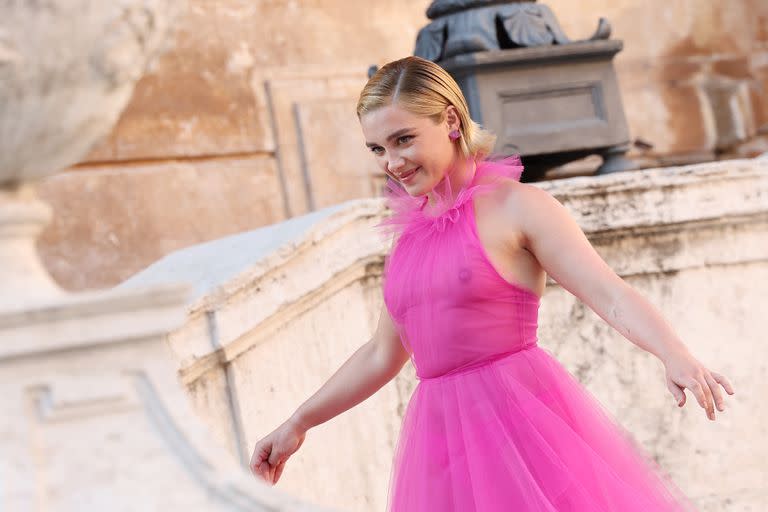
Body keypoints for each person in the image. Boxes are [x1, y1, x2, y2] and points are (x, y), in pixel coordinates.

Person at [249, 56, 735, 510]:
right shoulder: (407, 241)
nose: (391, 163)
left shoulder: (517, 207)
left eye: (404, 140)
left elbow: (609, 293)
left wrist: (674, 353)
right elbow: (382, 354)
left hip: (522, 430)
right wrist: (299, 422)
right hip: (441, 448)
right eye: (378, 149)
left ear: (452, 122)